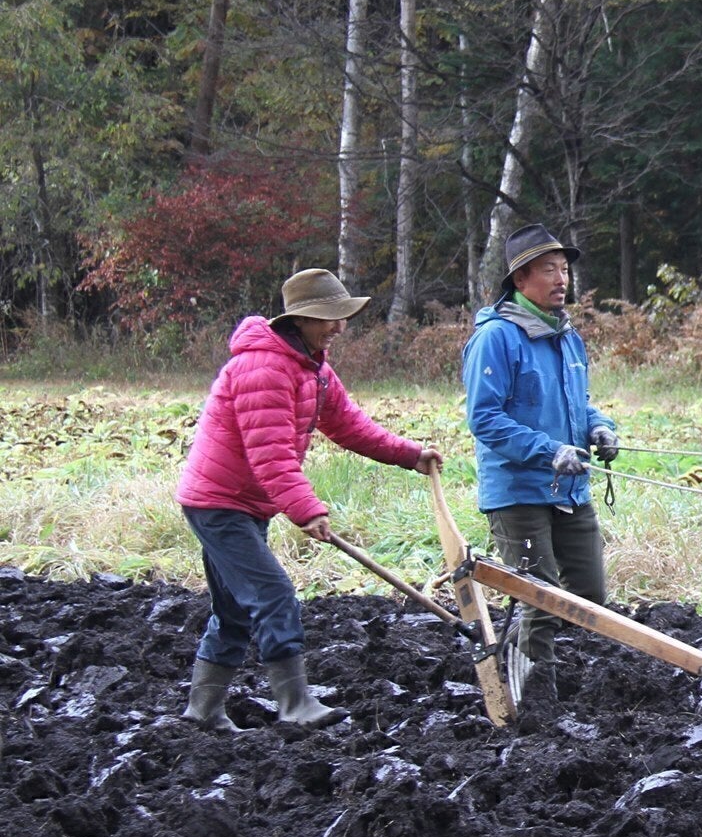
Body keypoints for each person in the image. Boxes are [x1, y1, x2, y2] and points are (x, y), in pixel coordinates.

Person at [176, 269, 443, 730]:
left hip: (245, 502)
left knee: (235, 609)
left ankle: (202, 712)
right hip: (219, 503)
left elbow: (349, 425)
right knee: (273, 594)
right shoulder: (263, 369)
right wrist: (307, 510)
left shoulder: (311, 368)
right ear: (298, 320)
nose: (338, 327)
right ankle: (295, 705)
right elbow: (271, 455)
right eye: (328, 317)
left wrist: (409, 455)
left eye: (342, 316)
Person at [461, 223, 620, 704]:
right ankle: (531, 699)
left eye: (564, 269)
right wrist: (549, 451)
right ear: (521, 279)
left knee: (589, 597)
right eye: (549, 270)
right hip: (519, 493)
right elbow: (485, 419)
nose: (561, 279)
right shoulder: (496, 338)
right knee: (541, 598)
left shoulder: (568, 337)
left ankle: (518, 659)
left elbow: (578, 403)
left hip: (570, 490)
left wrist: (599, 427)